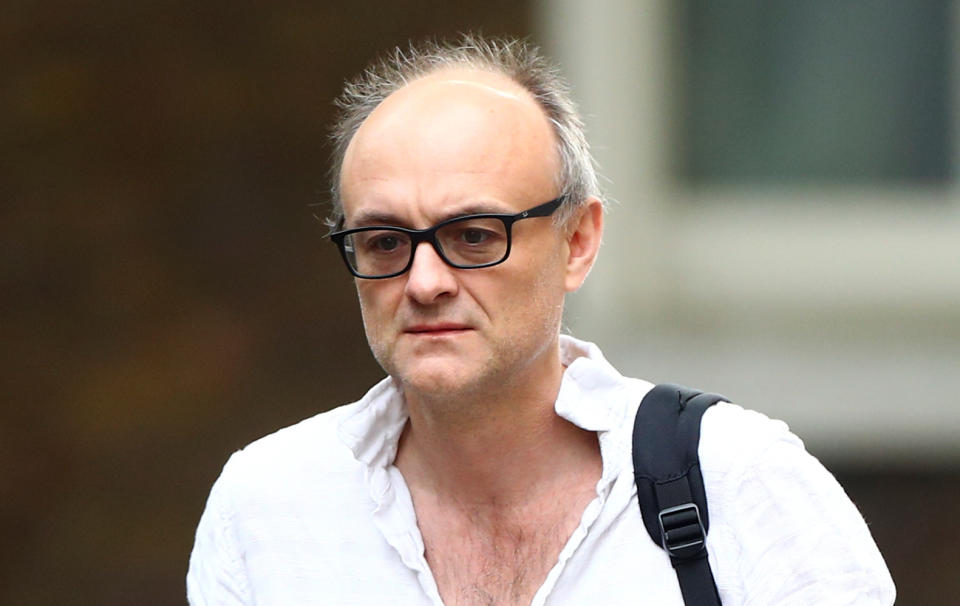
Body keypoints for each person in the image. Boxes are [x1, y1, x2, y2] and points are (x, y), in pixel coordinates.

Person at [187, 34, 895, 605]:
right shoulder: (270, 509)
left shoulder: (736, 482)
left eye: (473, 235)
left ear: (577, 244)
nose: (424, 281)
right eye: (385, 242)